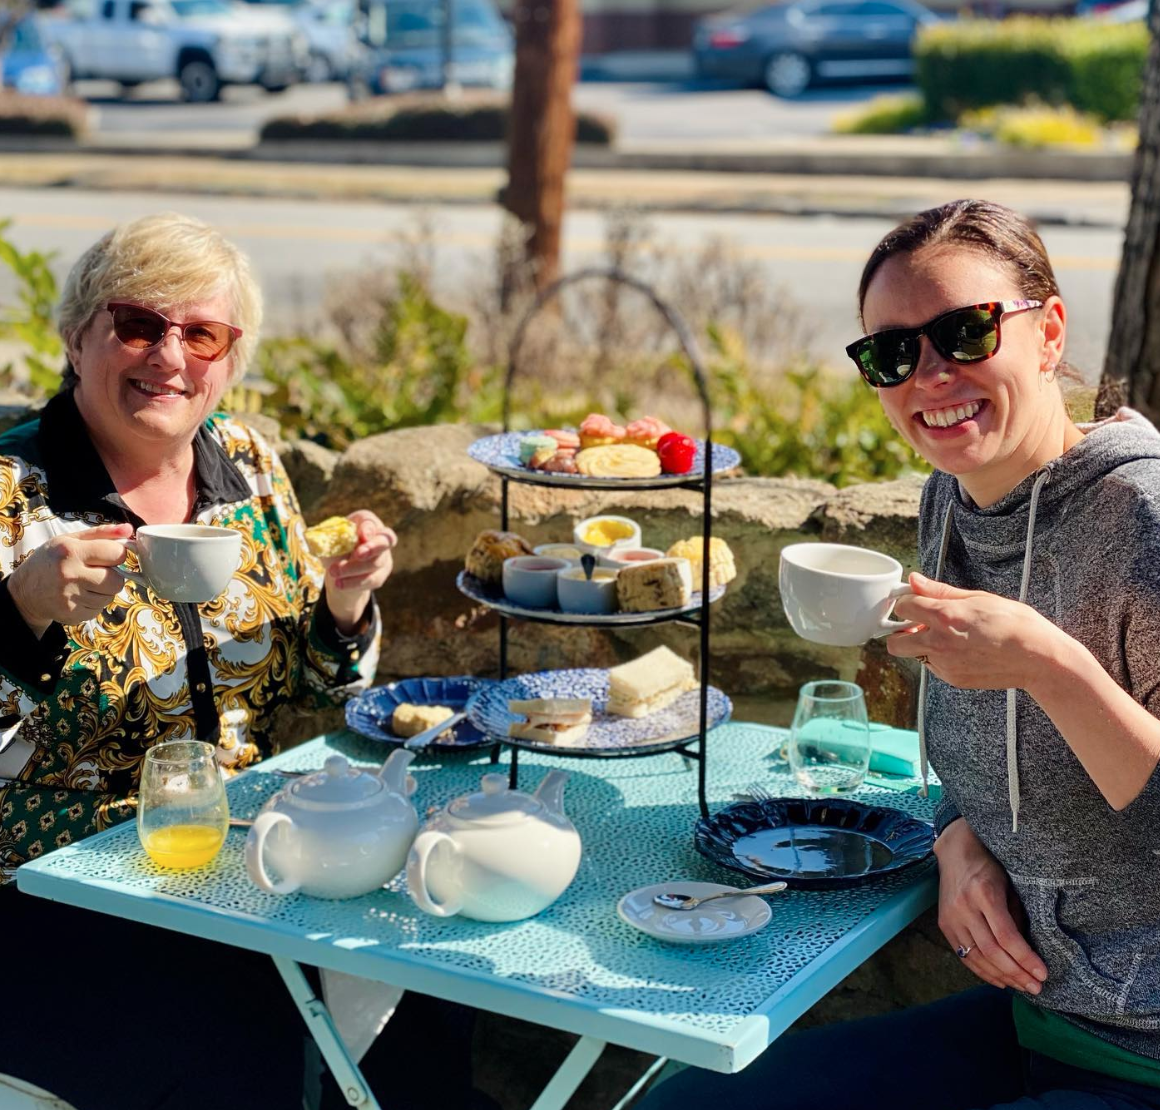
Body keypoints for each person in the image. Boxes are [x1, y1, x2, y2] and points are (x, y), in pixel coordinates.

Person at [636, 199, 1160, 1110]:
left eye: (964, 332)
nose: (931, 374)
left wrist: (1050, 663)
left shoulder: (1140, 524)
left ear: (1049, 334)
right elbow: (974, 748)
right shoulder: (950, 503)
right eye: (892, 352)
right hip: (1035, 1021)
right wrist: (958, 838)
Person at [0, 212, 477, 1110]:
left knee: (431, 1017)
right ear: (77, 335)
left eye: (202, 334)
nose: (169, 357)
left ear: (231, 356)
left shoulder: (248, 468)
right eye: (137, 324)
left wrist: (344, 604)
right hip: (61, 887)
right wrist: (18, 611)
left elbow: (316, 681)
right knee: (241, 1053)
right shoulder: (10, 495)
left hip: (249, 860)